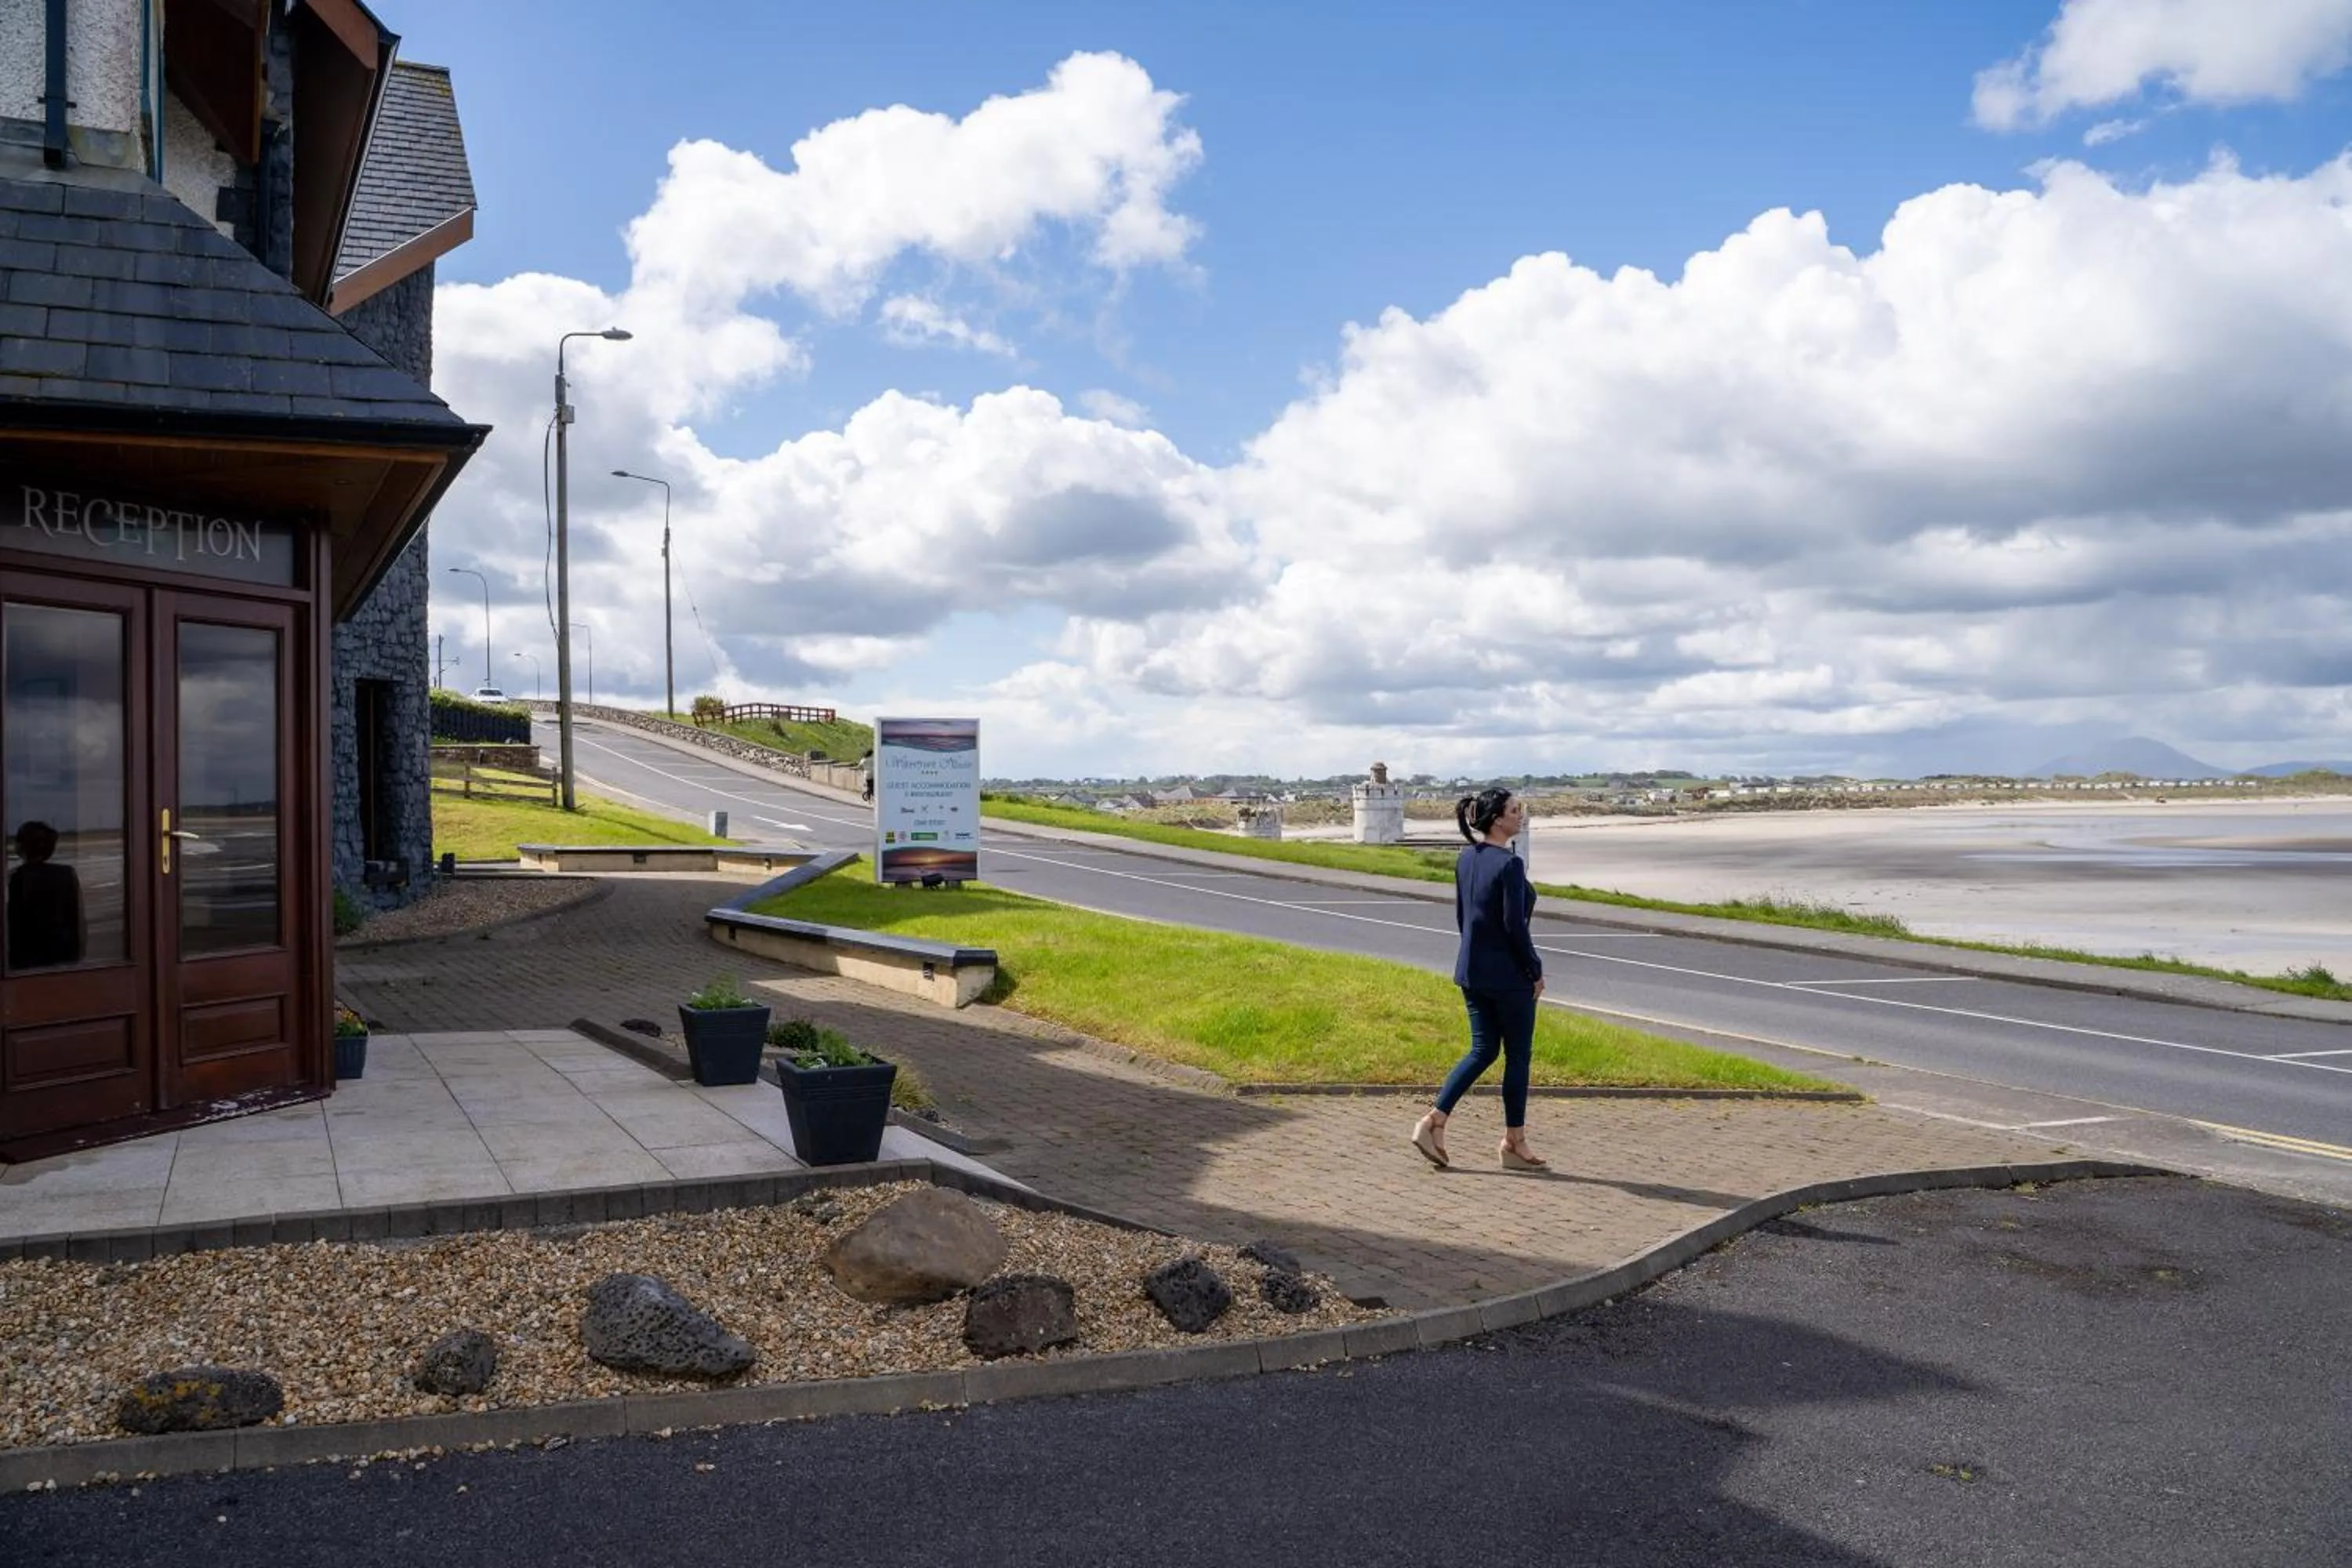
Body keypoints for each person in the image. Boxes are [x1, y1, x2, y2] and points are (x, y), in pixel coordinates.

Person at [1411, 786, 1547, 1171]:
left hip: (1471, 971)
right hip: (1508, 977)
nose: (1520, 815)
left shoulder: (1467, 858)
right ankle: (1513, 1143)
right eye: (1514, 810)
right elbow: (1514, 927)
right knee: (1517, 1056)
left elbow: (1463, 919)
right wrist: (1534, 970)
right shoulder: (1510, 865)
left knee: (1483, 1050)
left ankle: (1433, 1121)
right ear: (1497, 819)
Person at [7, 820, 84, 971]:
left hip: (28, 959)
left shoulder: (19, 877)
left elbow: (14, 923)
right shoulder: (66, 873)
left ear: (23, 847)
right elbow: (74, 916)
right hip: (64, 954)